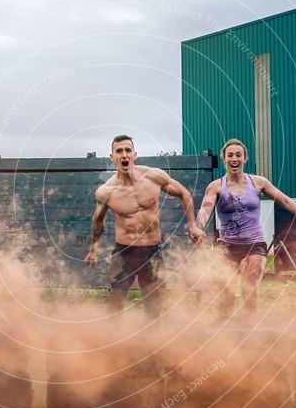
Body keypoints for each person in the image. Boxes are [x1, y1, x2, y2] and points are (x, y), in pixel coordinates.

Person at [196, 138, 296, 317]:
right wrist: (199, 227)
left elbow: (285, 200)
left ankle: (250, 329)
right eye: (230, 155)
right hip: (228, 245)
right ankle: (223, 331)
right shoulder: (216, 186)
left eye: (238, 155)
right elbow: (205, 209)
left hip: (254, 244)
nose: (234, 159)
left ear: (245, 159)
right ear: (224, 160)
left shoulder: (258, 182)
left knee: (249, 288)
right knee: (226, 293)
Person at [85, 135, 206, 316]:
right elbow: (98, 221)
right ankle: (112, 340)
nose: (124, 155)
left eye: (128, 150)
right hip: (124, 252)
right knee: (117, 299)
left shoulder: (153, 177)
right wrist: (93, 249)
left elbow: (183, 193)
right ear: (112, 157)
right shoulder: (105, 192)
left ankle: (151, 341)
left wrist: (192, 226)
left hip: (151, 250)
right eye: (119, 151)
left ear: (135, 155)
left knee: (154, 303)